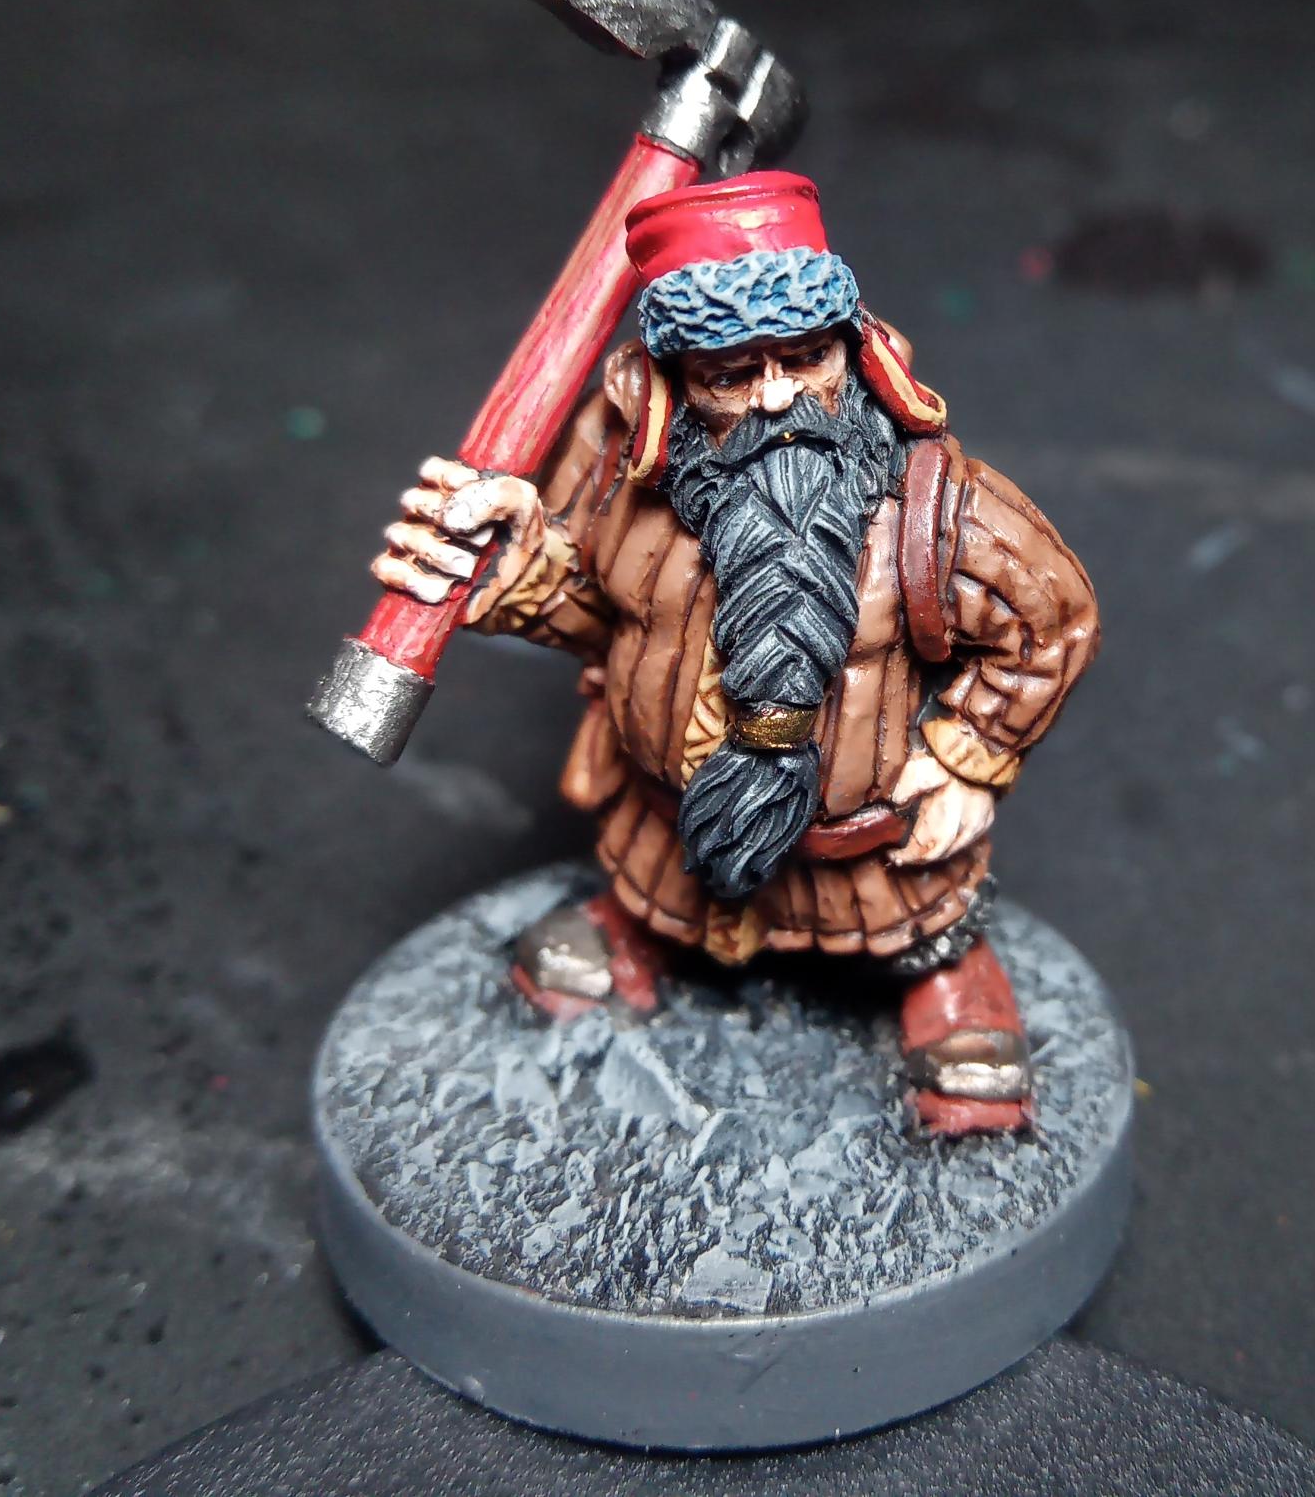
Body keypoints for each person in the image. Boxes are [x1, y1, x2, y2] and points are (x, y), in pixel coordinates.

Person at [371, 172, 1098, 1135]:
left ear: (853, 347)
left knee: (922, 931)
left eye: (806, 358)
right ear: (677, 382)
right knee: (655, 887)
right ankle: (636, 929)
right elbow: (599, 619)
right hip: (668, 819)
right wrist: (519, 569)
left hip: (870, 849)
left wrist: (973, 753)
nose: (779, 398)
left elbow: (1050, 620)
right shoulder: (621, 475)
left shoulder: (938, 509)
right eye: (732, 374)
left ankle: (951, 981)